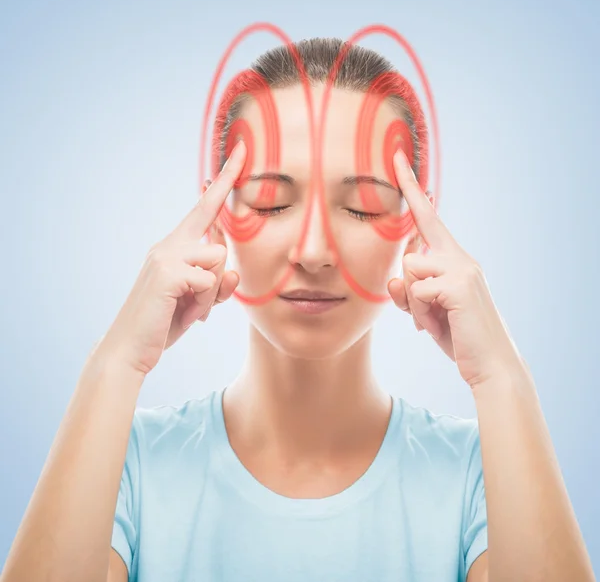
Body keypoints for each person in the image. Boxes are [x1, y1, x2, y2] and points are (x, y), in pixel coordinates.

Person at [0, 38, 595, 582]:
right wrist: (115, 365)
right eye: (271, 200)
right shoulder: (124, 462)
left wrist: (502, 379)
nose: (313, 251)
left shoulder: (482, 472)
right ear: (218, 211)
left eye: (361, 205)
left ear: (413, 220)